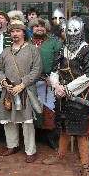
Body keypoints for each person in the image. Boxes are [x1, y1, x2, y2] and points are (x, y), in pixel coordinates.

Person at [42, 17, 89, 176]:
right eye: (70, 31)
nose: (72, 34)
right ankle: (60, 155)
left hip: (79, 97)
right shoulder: (62, 49)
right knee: (64, 128)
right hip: (62, 98)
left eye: (75, 31)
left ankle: (85, 166)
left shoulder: (87, 50)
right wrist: (57, 86)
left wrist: (67, 89)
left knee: (82, 133)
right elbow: (53, 71)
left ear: (81, 31)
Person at [0, 19, 41, 163]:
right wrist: (3, 82)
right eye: (12, 31)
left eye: (18, 31)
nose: (15, 34)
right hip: (8, 91)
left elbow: (37, 70)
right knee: (9, 120)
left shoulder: (32, 49)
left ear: (23, 33)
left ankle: (30, 150)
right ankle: (12, 145)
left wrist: (22, 84)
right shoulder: (5, 52)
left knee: (27, 122)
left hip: (25, 91)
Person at [29, 18, 62, 150]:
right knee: (33, 110)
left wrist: (53, 77)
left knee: (49, 110)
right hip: (30, 82)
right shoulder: (27, 43)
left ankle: (51, 138)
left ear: (46, 28)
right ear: (31, 28)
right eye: (36, 26)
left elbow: (59, 60)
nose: (39, 28)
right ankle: (36, 137)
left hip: (48, 82)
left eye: (42, 26)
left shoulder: (54, 43)